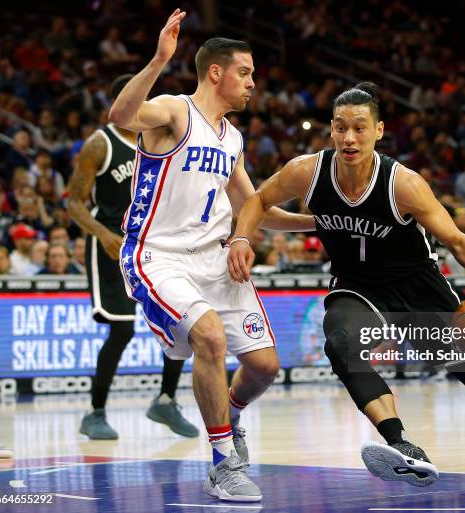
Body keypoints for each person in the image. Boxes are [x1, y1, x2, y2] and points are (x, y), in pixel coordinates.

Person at [228, 82, 465, 487]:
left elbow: (457, 241)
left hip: (417, 288)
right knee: (340, 343)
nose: (349, 137)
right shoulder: (307, 171)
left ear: (379, 131)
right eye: (341, 127)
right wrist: (242, 237)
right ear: (330, 130)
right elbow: (256, 200)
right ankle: (403, 445)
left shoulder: (404, 183)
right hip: (357, 285)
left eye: (360, 127)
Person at [108, 9, 314, 502]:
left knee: (265, 366)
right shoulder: (175, 111)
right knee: (210, 338)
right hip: (157, 255)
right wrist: (160, 59)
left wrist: (325, 222)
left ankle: (232, 416)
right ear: (216, 72)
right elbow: (120, 117)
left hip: (213, 260)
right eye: (245, 73)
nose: (252, 84)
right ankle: (223, 463)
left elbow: (255, 208)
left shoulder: (234, 139)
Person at [67, 74, 198, 440]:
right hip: (111, 240)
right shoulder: (100, 143)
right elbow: (74, 201)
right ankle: (95, 413)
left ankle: (166, 400)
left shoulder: (162, 140)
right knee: (122, 329)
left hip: (153, 242)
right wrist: (102, 234)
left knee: (179, 323)